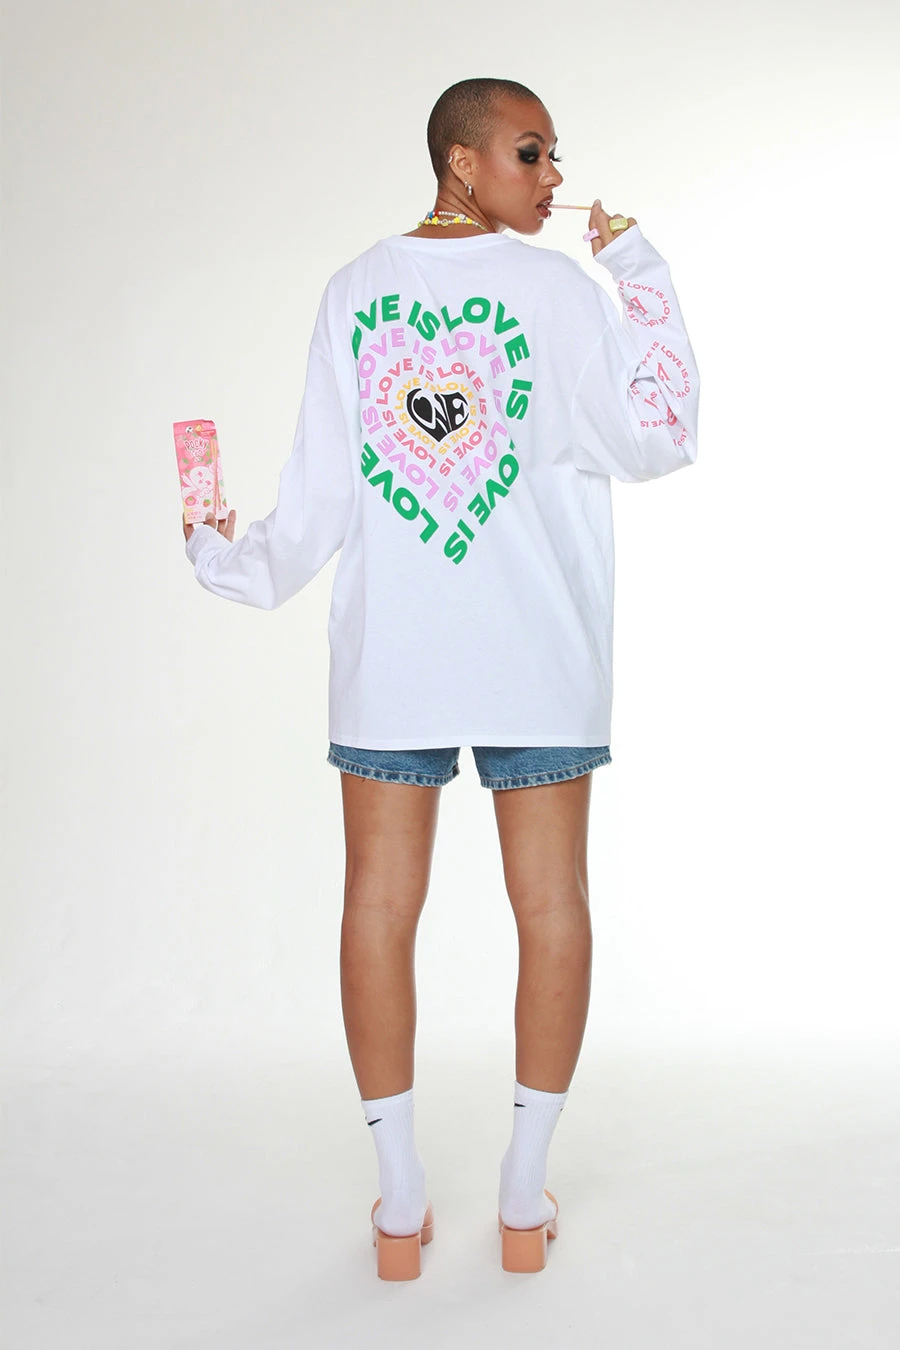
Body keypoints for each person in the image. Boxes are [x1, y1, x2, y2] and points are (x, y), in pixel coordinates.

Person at [182, 76, 700, 1278]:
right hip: (538, 650)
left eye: (555, 155)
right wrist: (641, 271)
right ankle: (521, 1198)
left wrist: (225, 557)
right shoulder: (561, 294)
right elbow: (659, 432)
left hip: (395, 653)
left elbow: (317, 502)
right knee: (552, 904)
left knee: (377, 905)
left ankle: (401, 1204)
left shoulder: (353, 291)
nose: (555, 178)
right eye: (532, 153)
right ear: (463, 161)